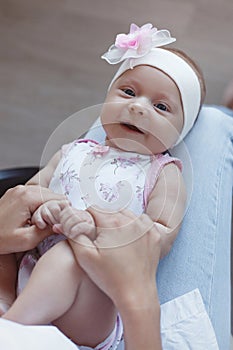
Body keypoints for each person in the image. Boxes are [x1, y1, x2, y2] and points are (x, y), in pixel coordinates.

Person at [0, 22, 227, 349]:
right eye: (128, 92)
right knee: (8, 248)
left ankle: (13, 323)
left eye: (160, 107)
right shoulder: (74, 150)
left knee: (67, 254)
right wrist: (46, 207)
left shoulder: (163, 171)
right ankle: (10, 305)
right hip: (32, 270)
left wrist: (101, 231)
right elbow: (32, 194)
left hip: (94, 301)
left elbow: (159, 235)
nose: (137, 107)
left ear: (178, 135)